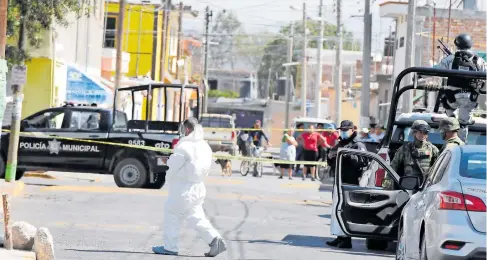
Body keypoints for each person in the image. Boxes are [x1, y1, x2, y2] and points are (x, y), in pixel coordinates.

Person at [152, 118, 226, 257]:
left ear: (186, 129)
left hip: (182, 188)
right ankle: (215, 240)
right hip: (198, 187)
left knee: (172, 213)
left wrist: (168, 173)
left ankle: (170, 247)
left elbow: (173, 165)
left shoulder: (184, 145)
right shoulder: (205, 146)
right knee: (195, 216)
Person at [326, 120, 367, 249]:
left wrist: (348, 156)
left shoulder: (357, 144)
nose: (343, 132)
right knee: (337, 210)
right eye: (341, 130)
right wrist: (331, 156)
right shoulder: (340, 143)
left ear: (352, 130)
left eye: (345, 130)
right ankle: (340, 237)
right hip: (339, 181)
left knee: (346, 211)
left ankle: (346, 240)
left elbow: (363, 162)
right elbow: (330, 161)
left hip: (350, 182)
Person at [435, 33, 486, 124]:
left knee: (447, 105)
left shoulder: (450, 59)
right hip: (470, 98)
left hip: (452, 97)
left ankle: (452, 120)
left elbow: (435, 70)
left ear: (457, 44)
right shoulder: (479, 60)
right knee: (464, 123)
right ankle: (462, 125)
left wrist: (419, 75)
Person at [382, 120, 440, 190]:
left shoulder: (432, 149)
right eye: (420, 132)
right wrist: (388, 180)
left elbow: (439, 167)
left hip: (426, 186)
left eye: (425, 133)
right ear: (414, 133)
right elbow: (394, 165)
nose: (422, 135)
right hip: (409, 185)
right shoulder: (405, 148)